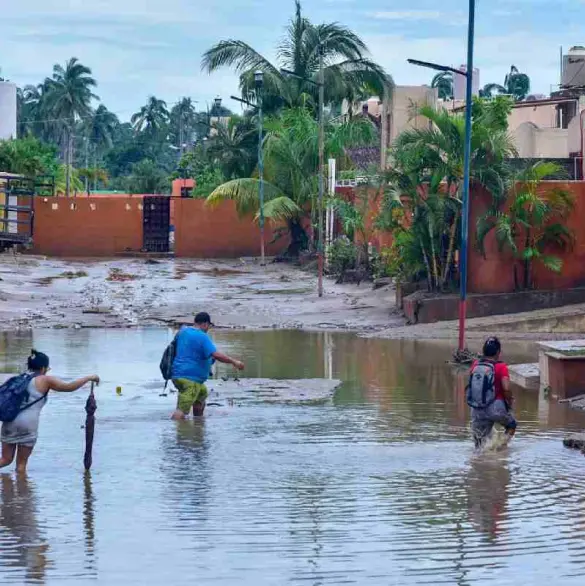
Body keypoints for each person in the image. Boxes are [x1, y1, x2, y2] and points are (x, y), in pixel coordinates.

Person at [0, 350, 100, 473]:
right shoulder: (44, 380)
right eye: (47, 368)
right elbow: (69, 387)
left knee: (5, 459)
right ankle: (22, 491)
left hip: (9, 422)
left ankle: (10, 491)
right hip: (27, 425)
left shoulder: (17, 379)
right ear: (42, 368)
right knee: (21, 466)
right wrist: (89, 377)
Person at [171, 312, 244, 419]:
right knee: (181, 410)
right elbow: (216, 355)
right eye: (209, 326)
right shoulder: (202, 336)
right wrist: (234, 362)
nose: (208, 328)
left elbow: (192, 352)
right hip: (190, 379)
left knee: (201, 394)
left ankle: (198, 425)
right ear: (205, 324)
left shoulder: (184, 332)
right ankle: (176, 433)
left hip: (178, 375)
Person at [469, 337, 517, 449]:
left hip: (477, 409)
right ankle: (500, 449)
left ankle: (479, 460)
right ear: (498, 352)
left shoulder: (475, 365)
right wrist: (509, 402)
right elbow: (506, 388)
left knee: (479, 444)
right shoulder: (501, 367)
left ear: (483, 351)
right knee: (511, 425)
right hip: (497, 408)